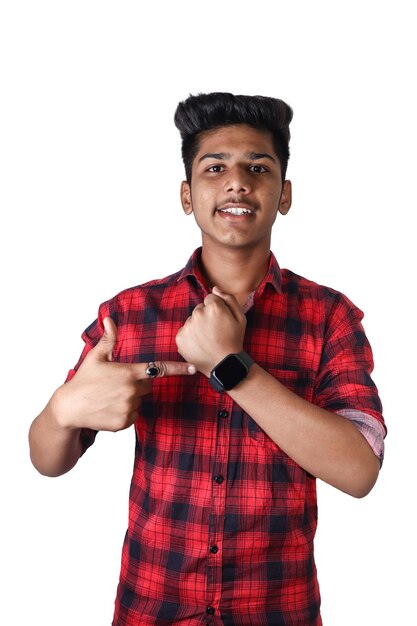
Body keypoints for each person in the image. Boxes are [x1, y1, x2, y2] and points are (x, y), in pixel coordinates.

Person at [29, 92, 386, 625]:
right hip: (152, 608)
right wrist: (60, 412)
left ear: (283, 195)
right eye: (214, 167)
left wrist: (231, 364)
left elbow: (360, 471)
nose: (237, 181)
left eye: (257, 167)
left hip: (277, 610)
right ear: (186, 194)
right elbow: (47, 460)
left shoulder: (329, 317)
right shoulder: (129, 314)